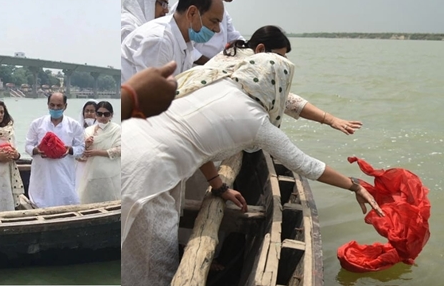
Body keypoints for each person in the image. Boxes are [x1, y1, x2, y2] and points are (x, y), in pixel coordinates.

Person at [120, 53, 384, 284]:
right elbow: (305, 164)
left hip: (127, 140)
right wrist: (354, 185)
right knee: (151, 264)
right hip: (149, 171)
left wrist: (219, 186)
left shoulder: (214, 81)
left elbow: (196, 143)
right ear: (276, 88)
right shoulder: (255, 120)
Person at [178, 25, 363, 135]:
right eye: (280, 57)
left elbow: (282, 98)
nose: (283, 63)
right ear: (260, 49)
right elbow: (285, 99)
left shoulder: (235, 54)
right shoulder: (245, 66)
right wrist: (330, 120)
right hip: (204, 130)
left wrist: (329, 119)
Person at [121, 0, 223, 83]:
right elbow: (151, 95)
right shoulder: (160, 40)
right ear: (192, 13)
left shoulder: (185, 40)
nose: (218, 29)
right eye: (214, 21)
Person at [170, 0, 252, 65]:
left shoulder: (222, 11)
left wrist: (254, 50)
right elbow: (180, 41)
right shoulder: (193, 1)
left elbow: (234, 37)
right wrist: (212, 65)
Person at [25, 93, 85, 208]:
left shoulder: (74, 125)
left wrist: (70, 150)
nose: (55, 108)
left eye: (59, 105)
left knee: (65, 198)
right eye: (52, 105)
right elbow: (28, 145)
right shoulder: (37, 124)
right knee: (40, 200)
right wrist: (36, 150)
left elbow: (81, 148)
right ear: (47, 105)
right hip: (42, 169)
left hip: (64, 169)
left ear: (65, 106)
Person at [77, 101, 121, 204]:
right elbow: (82, 154)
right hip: (92, 172)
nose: (102, 117)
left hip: (111, 173)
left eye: (106, 114)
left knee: (112, 200)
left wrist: (97, 152)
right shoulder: (88, 131)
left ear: (111, 115)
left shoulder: (117, 130)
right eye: (99, 114)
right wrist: (86, 144)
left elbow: (119, 150)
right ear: (95, 115)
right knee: (89, 201)